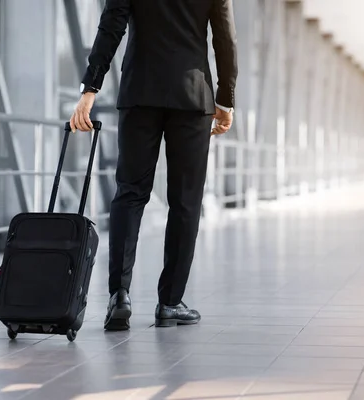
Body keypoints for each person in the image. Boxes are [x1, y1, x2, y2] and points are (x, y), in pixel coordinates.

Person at [70, 0, 238, 330]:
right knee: (185, 202)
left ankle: (119, 294)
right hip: (192, 97)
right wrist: (226, 99)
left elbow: (112, 24)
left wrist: (91, 87)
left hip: (140, 92)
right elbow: (225, 39)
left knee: (129, 193)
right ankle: (170, 302)